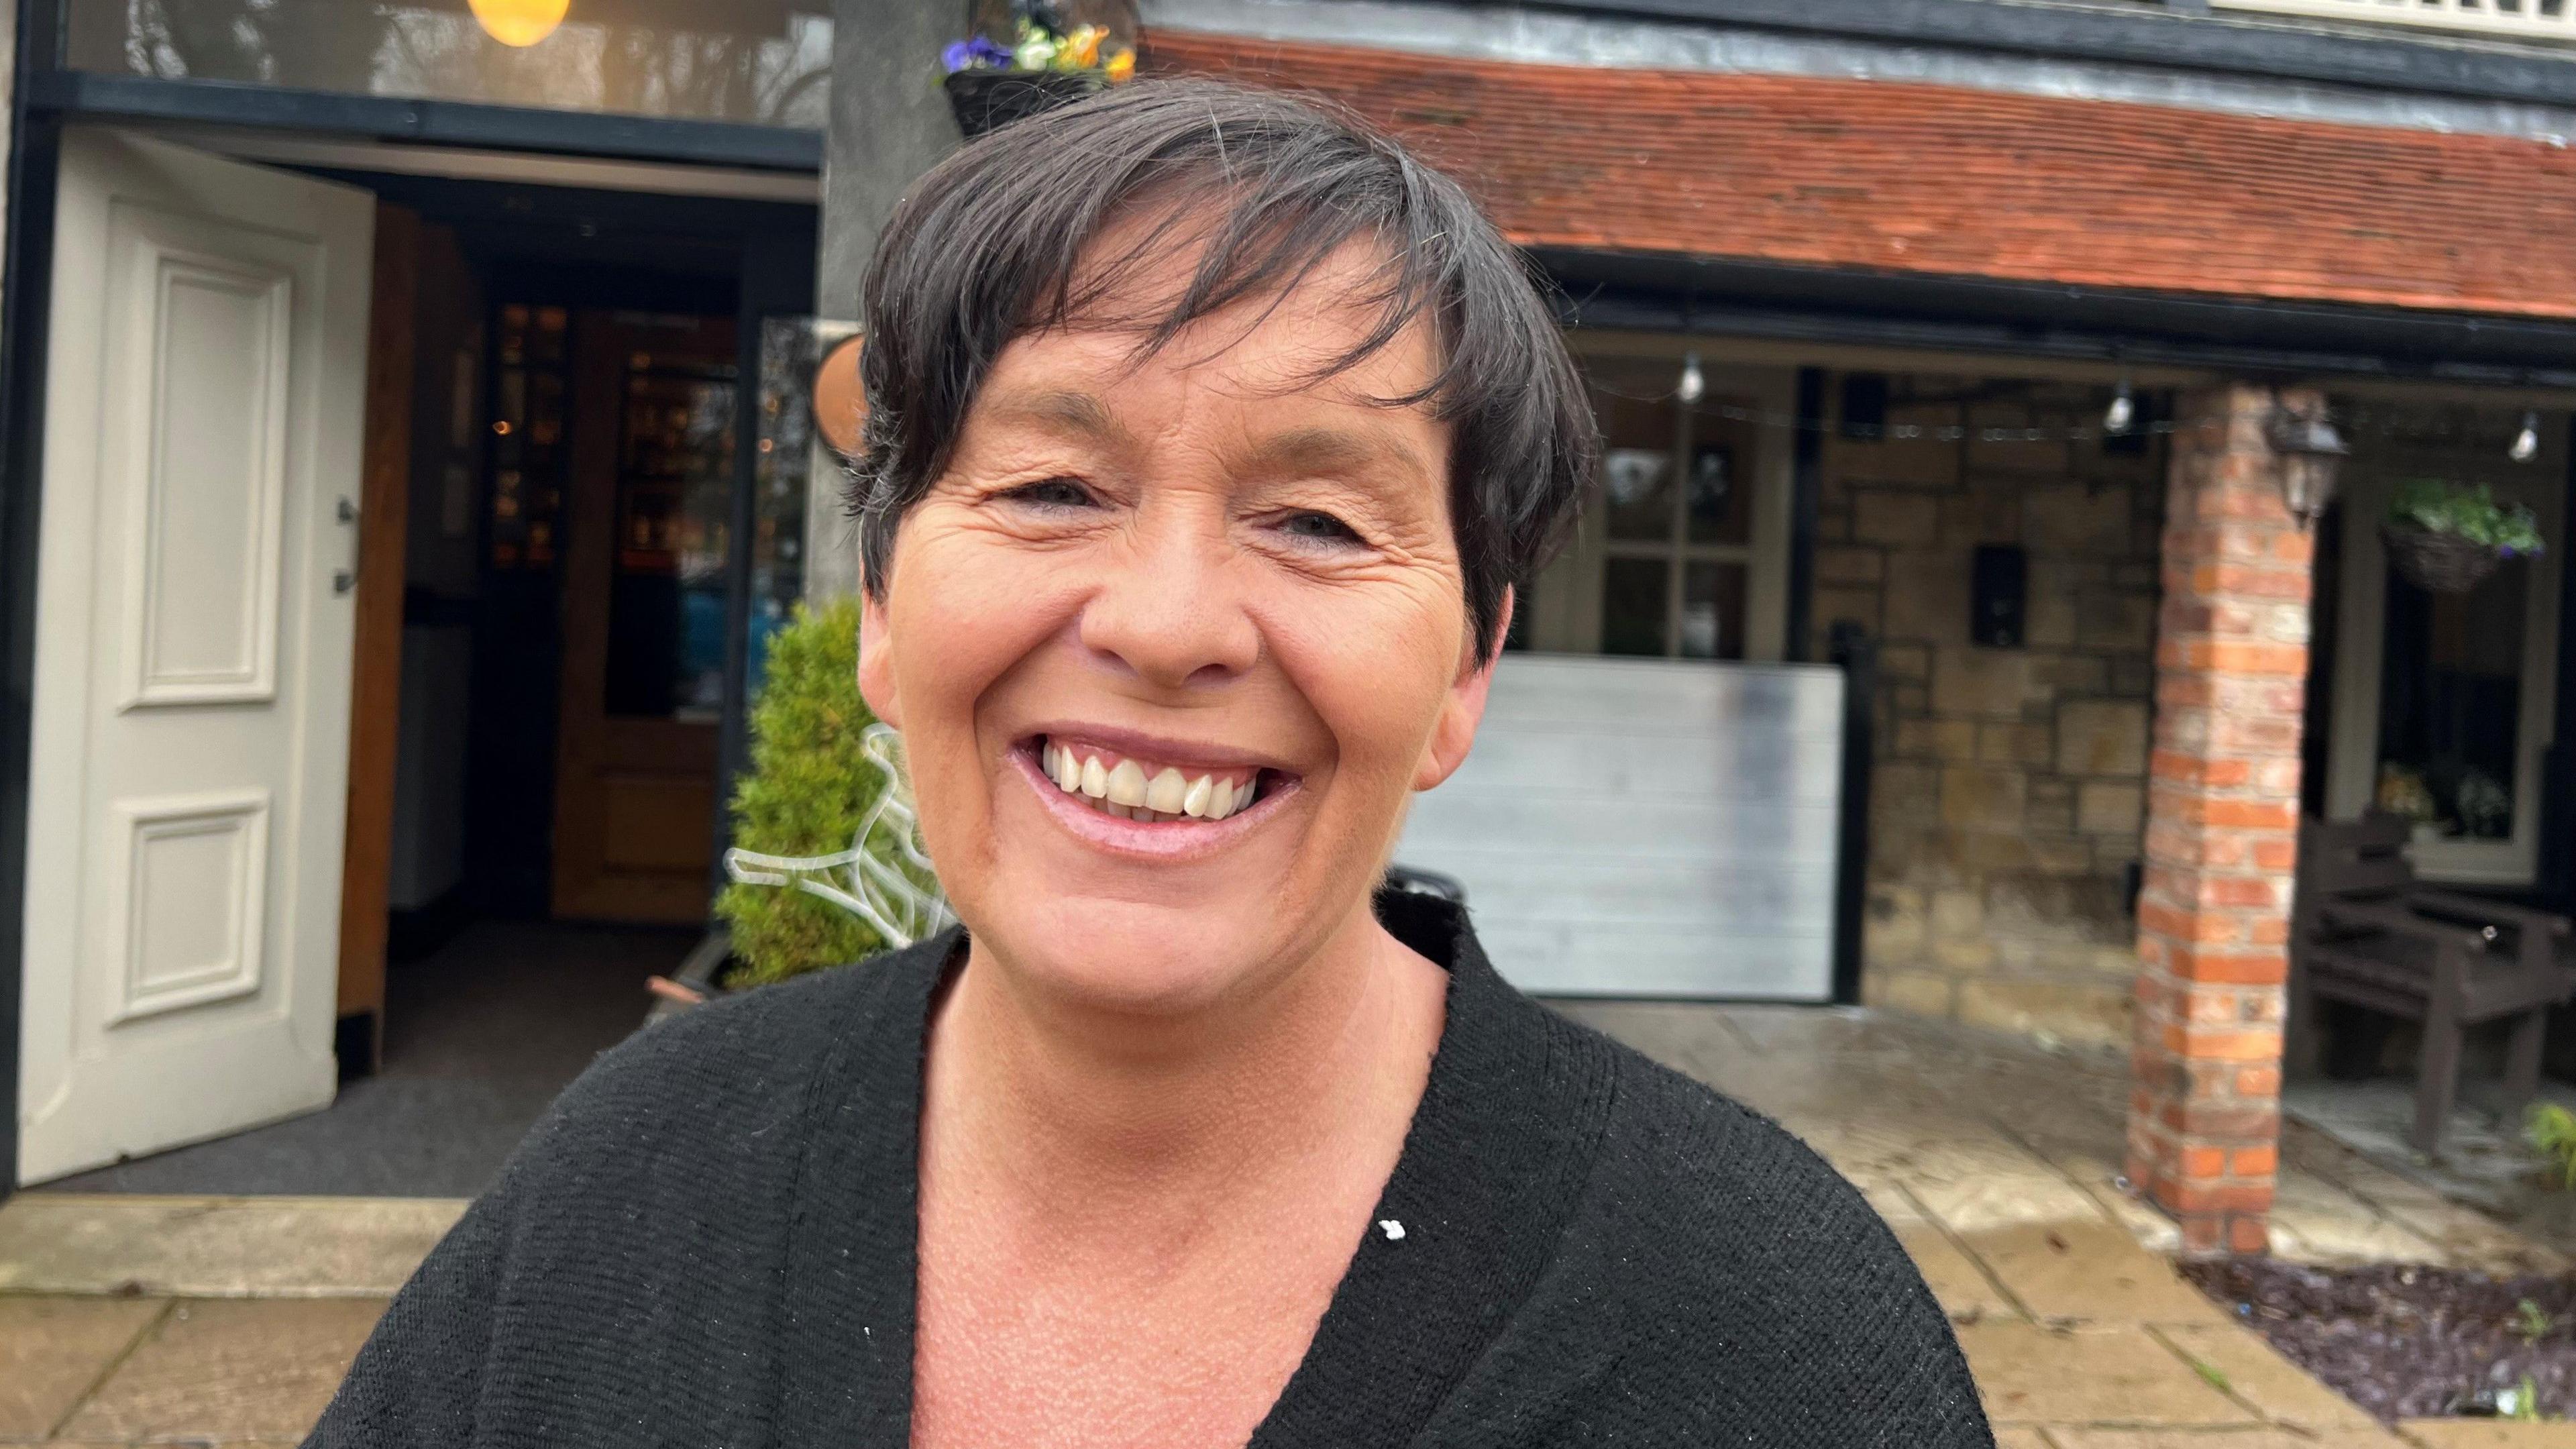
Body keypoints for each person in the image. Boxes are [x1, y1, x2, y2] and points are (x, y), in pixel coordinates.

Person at [308, 78, 1993, 1448]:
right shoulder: (636, 1176)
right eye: (1052, 486)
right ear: (885, 608)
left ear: (1468, 673)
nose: (1172, 623)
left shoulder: (1767, 1336)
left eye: (1319, 520)